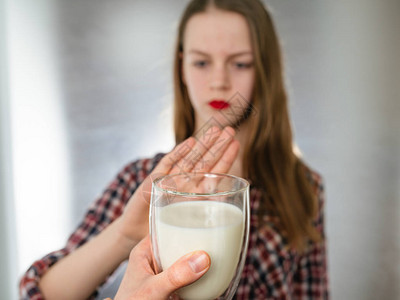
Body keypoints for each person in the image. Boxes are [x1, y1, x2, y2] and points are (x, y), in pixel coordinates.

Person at [20, 0, 329, 299]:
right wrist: (125, 235)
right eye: (202, 62)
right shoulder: (143, 181)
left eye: (240, 63)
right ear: (182, 66)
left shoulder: (303, 189)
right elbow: (38, 293)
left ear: (265, 70)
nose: (219, 80)